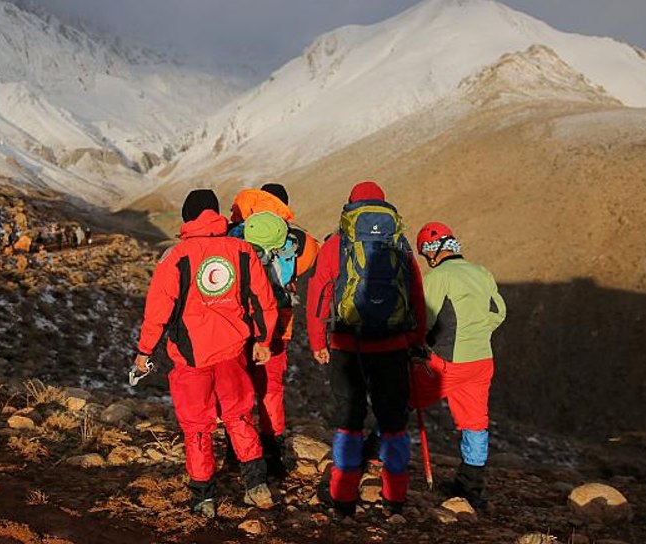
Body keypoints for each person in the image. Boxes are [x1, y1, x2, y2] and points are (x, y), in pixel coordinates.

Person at [132, 189, 279, 519]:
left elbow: (157, 311)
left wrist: (144, 351)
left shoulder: (176, 257)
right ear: (215, 215)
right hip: (233, 353)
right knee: (239, 417)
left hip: (190, 359)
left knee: (198, 427)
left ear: (187, 219)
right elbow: (262, 301)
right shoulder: (243, 251)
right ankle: (257, 487)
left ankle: (203, 499)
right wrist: (263, 339)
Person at [306, 181, 426, 517]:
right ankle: (395, 498)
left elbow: (320, 296)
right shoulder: (399, 245)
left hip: (347, 344)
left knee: (349, 419)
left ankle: (343, 496)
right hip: (394, 344)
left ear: (350, 207)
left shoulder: (336, 244)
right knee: (393, 421)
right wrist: (416, 339)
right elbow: (416, 294)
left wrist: (318, 341)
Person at [222, 184, 320, 479]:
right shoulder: (295, 241)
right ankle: (273, 455)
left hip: (239, 324)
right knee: (271, 389)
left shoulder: (234, 235)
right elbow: (309, 259)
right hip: (278, 326)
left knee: (237, 389)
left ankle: (234, 452)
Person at [410, 221, 507, 510]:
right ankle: (470, 488)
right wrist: (477, 333)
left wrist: (422, 345)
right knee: (475, 424)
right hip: (481, 359)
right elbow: (498, 312)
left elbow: (423, 318)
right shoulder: (481, 272)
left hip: (448, 361)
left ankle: (373, 457)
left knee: (401, 400)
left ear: (431, 252)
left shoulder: (438, 276)